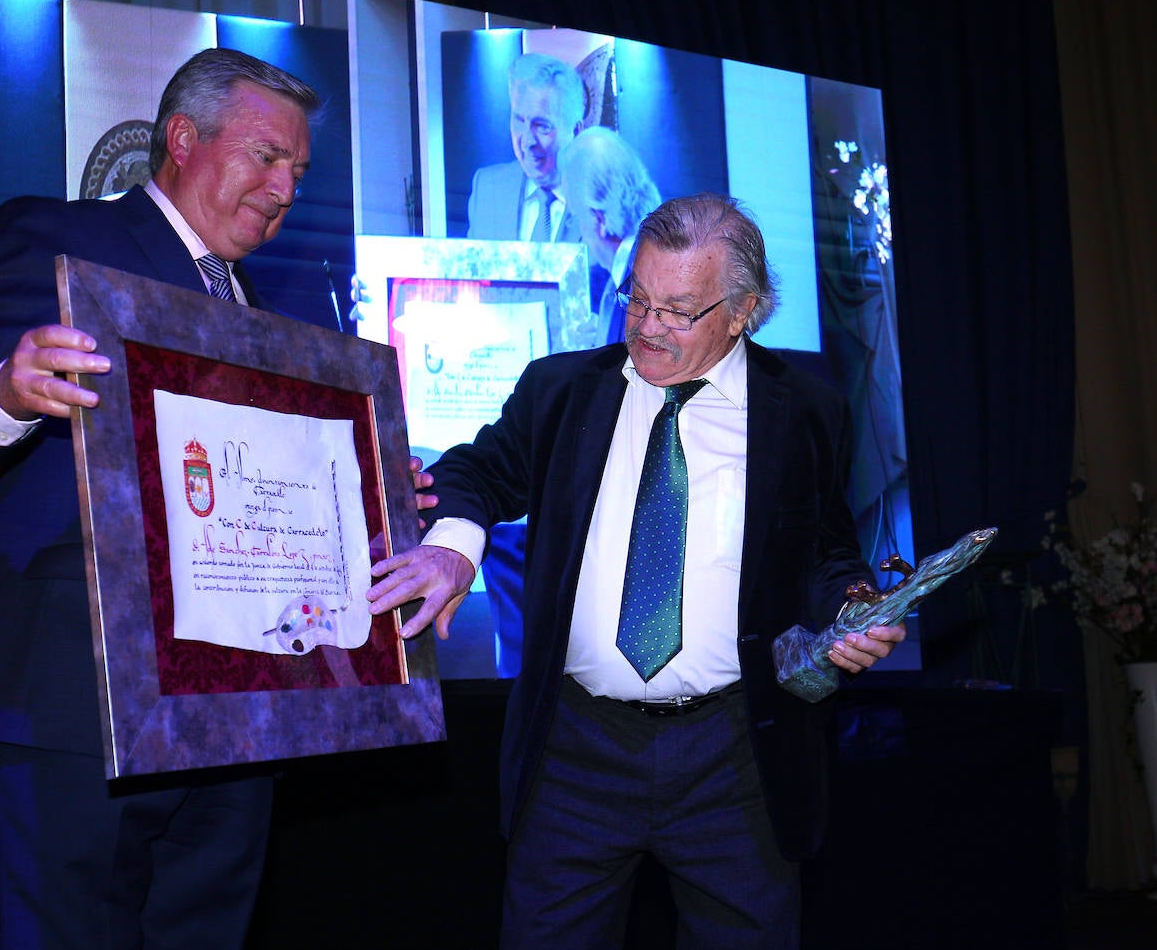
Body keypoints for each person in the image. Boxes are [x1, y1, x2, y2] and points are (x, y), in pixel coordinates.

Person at [0, 48, 432, 949]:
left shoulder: (272, 306)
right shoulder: (56, 238)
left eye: (298, 170)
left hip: (237, 709)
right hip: (76, 701)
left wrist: (373, 494)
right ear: (182, 138)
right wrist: (8, 391)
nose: (286, 186)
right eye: (266, 156)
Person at [366, 193, 905, 949]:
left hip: (737, 753)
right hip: (575, 752)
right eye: (638, 299)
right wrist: (454, 545)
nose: (649, 327)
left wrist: (851, 601)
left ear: (744, 309)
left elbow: (824, 545)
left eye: (679, 310)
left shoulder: (807, 408)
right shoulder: (561, 391)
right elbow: (476, 473)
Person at [466, 51, 587, 244]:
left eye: (542, 126)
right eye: (519, 120)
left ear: (576, 132)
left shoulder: (608, 203)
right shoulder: (488, 189)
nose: (527, 141)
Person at [557, 125, 663, 345]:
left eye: (577, 216)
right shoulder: (641, 270)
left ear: (600, 219)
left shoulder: (641, 288)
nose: (580, 234)